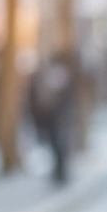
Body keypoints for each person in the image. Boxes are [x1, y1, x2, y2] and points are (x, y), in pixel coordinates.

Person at [28, 49, 79, 185]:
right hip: (53, 117)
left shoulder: (61, 75)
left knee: (60, 144)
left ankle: (61, 171)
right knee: (55, 144)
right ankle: (59, 171)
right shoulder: (54, 75)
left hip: (59, 117)